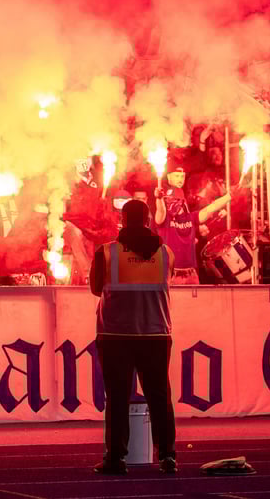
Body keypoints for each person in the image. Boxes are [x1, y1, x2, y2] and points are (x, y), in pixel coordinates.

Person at [88, 199, 176, 476]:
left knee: (117, 398)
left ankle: (116, 458)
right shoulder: (166, 252)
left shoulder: (106, 252)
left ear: (123, 220)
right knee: (159, 396)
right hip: (156, 332)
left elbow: (94, 288)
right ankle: (167, 456)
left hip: (116, 333)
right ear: (149, 220)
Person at [154, 160, 232, 284]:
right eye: (171, 200)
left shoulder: (190, 217)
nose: (175, 203)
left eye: (179, 201)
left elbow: (209, 209)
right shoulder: (164, 220)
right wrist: (158, 199)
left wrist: (229, 196)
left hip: (191, 273)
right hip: (171, 274)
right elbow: (160, 211)